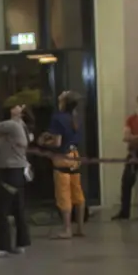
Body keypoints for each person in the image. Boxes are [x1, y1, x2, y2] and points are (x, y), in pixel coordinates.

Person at [0, 98, 32, 256]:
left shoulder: (12, 125)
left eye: (18, 104)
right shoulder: (22, 127)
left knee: (2, 209)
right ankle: (21, 243)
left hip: (10, 172)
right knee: (18, 208)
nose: (14, 106)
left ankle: (3, 247)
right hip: (19, 171)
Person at [44, 91, 87, 237]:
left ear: (64, 102)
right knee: (77, 192)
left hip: (62, 157)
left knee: (63, 193)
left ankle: (67, 228)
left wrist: (43, 141)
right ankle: (80, 228)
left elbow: (57, 142)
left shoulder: (57, 118)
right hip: (75, 156)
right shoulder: (76, 118)